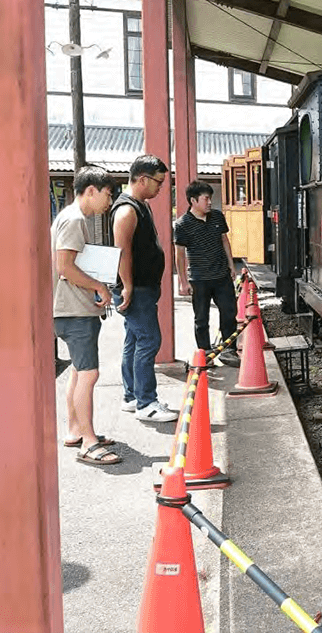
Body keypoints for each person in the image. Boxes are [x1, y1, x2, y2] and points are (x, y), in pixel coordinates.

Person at [52, 165, 122, 465]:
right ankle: (89, 443)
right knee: (89, 374)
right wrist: (99, 286)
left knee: (79, 372)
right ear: (91, 190)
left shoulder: (70, 216)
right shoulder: (75, 220)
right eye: (108, 194)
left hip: (70, 309)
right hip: (75, 310)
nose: (110, 201)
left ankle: (75, 431)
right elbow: (64, 267)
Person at [111, 155, 178, 423]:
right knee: (149, 341)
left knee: (134, 340)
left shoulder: (141, 205)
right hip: (136, 288)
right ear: (142, 179)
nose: (161, 188)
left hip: (143, 287)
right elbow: (122, 251)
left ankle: (132, 396)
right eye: (158, 182)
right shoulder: (127, 210)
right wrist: (127, 286)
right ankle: (146, 403)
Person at [174, 180, 240, 366]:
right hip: (199, 279)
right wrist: (183, 281)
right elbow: (179, 255)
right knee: (201, 319)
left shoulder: (217, 217)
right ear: (193, 201)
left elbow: (224, 240)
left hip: (221, 276)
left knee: (229, 312)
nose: (210, 202)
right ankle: (205, 353)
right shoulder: (182, 224)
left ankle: (229, 350)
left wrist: (231, 265)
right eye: (206, 199)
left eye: (210, 198)